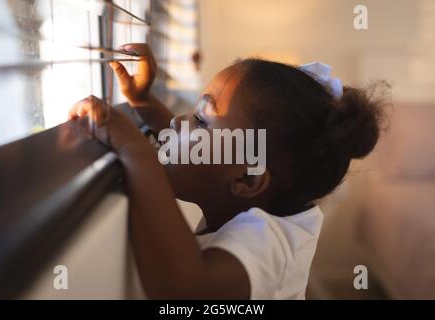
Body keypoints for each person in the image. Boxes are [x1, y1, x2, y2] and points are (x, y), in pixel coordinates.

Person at [68, 43, 387, 299]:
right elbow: (206, 154)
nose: (178, 123)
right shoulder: (263, 197)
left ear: (248, 178)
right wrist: (142, 101)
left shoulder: (268, 242)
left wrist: (135, 151)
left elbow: (187, 292)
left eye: (201, 120)